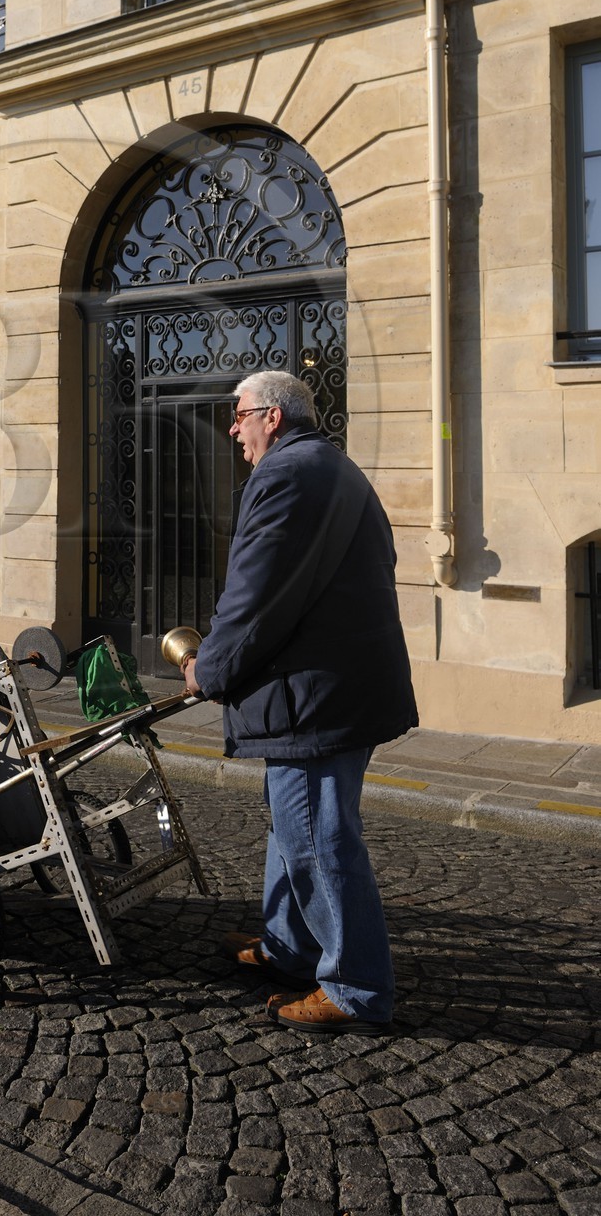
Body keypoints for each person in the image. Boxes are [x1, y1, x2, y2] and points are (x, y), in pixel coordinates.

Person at [182, 369, 417, 1035]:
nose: (234, 429)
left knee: (318, 835)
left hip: (313, 696)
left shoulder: (284, 476)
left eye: (240, 415)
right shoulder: (337, 468)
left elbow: (254, 593)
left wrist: (212, 669)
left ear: (273, 418)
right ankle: (291, 948)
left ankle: (355, 988)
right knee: (292, 825)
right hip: (337, 686)